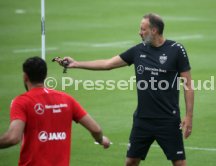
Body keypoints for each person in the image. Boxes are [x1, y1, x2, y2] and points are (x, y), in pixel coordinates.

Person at [57, 13, 194, 166]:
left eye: (143, 29)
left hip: (168, 119)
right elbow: (107, 64)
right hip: (143, 120)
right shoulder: (138, 51)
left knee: (179, 163)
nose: (139, 32)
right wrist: (76, 64)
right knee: (130, 161)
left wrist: (189, 117)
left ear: (154, 30)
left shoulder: (176, 50)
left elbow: (188, 85)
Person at [0, 57, 110, 166]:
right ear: (46, 76)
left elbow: (13, 138)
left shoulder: (21, 102)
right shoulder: (66, 99)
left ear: (25, 77)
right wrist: (100, 140)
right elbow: (95, 129)